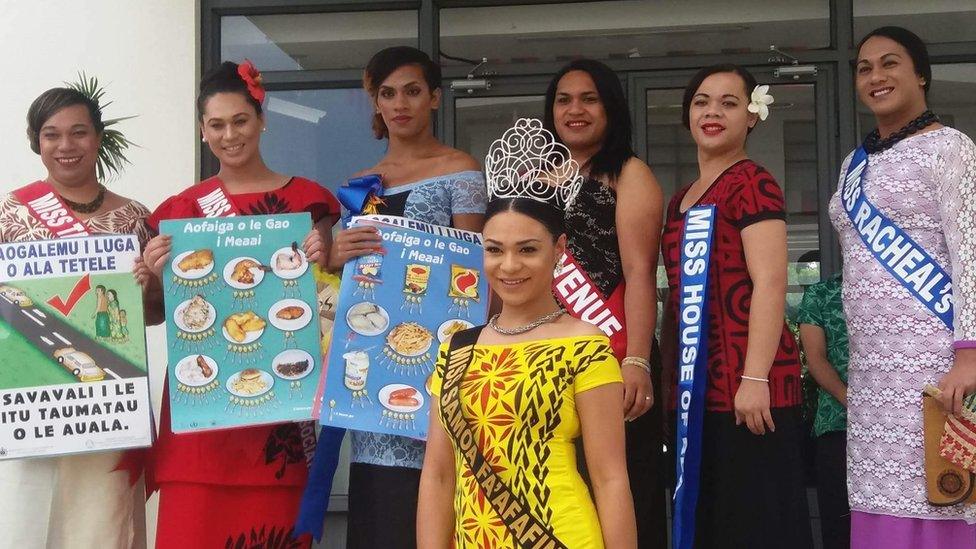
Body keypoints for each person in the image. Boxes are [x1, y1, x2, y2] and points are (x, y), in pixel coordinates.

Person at [138, 60, 340, 549]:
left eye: (240, 120)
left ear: (261, 119)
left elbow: (333, 305)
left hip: (280, 421)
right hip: (200, 419)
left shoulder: (310, 203)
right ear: (203, 131)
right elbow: (156, 312)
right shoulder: (178, 212)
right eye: (217, 124)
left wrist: (327, 260)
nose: (230, 135)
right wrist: (150, 275)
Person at [418, 142, 637, 546]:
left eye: (528, 250)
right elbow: (438, 474)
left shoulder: (585, 345)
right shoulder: (456, 348)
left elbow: (610, 478)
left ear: (560, 250)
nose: (510, 266)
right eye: (494, 250)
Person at [326, 46, 487, 549]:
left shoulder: (461, 169)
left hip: (440, 364)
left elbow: (477, 271)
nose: (400, 104)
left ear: (435, 98)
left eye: (413, 91)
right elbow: (340, 283)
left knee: (437, 509)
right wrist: (333, 254)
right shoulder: (361, 184)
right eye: (387, 94)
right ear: (376, 103)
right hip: (372, 369)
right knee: (380, 513)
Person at [830, 26, 976, 548]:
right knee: (880, 499)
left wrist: (969, 354)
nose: (876, 76)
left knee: (947, 495)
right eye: (864, 68)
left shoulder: (950, 148)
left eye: (890, 63)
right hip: (872, 374)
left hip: (938, 364)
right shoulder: (853, 164)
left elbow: (972, 253)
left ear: (920, 74)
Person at [660, 64, 812, 548]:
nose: (712, 112)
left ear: (752, 116)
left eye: (729, 102)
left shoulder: (753, 182)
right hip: (698, 389)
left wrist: (754, 379)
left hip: (751, 389)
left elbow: (770, 282)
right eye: (702, 101)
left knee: (759, 523)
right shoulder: (682, 198)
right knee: (714, 522)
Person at [0, 86, 151, 548]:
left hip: (108, 403)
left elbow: (159, 314)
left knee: (101, 524)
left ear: (98, 138)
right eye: (52, 135)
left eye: (78, 133)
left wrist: (150, 285)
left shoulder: (135, 219)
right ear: (36, 141)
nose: (66, 146)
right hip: (31, 402)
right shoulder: (10, 214)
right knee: (24, 520)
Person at [543, 58, 666, 548]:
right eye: (564, 99)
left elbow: (639, 273)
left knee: (621, 488)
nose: (575, 109)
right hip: (549, 355)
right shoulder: (536, 178)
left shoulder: (629, 174)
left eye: (589, 98)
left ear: (610, 107)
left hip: (612, 355)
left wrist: (636, 360)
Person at [797, 271, 850, 549]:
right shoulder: (821, 294)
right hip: (838, 424)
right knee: (840, 524)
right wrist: (853, 403)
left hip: (906, 425)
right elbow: (815, 360)